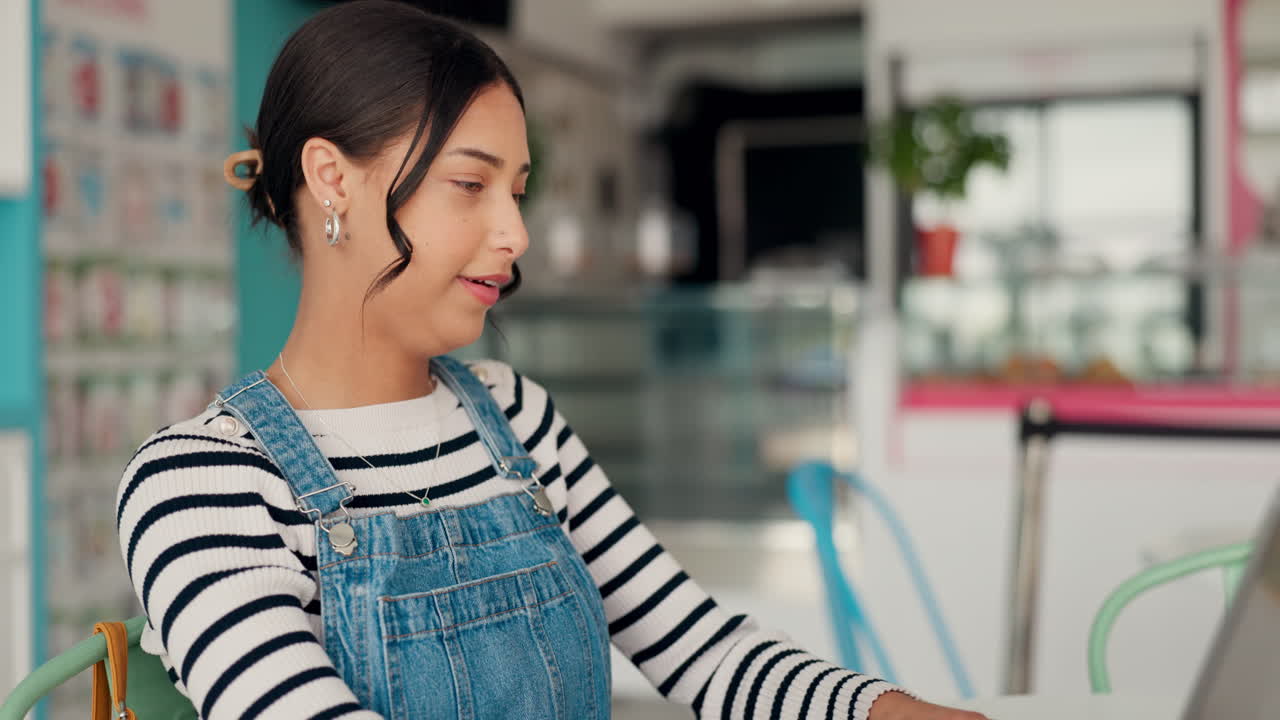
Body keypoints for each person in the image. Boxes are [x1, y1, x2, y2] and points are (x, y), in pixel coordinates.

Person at [115, 2, 988, 718]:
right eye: (470, 184)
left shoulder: (516, 418)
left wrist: (891, 711)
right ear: (332, 179)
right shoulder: (200, 484)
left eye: (518, 190)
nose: (516, 234)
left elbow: (705, 651)